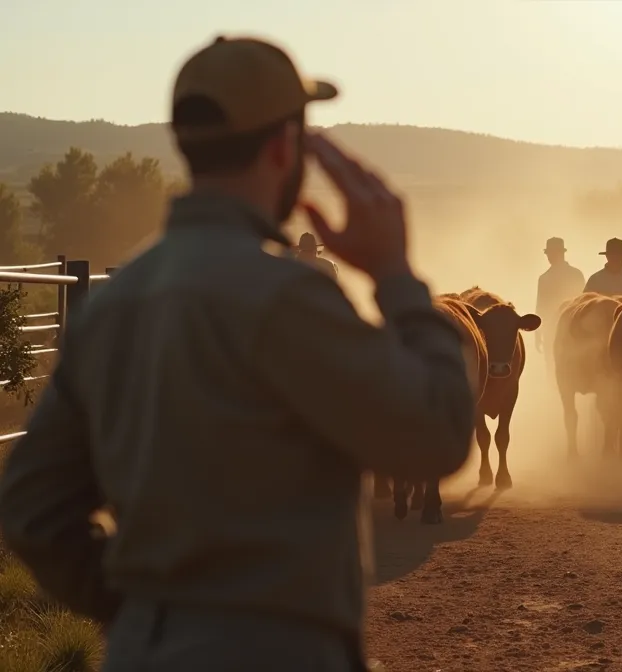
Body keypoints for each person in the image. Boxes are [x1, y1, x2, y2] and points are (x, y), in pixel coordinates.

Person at [0, 35, 476, 671]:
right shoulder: (286, 295)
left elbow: (31, 507)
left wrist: (146, 607)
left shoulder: (120, 297)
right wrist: (396, 275)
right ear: (286, 146)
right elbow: (438, 434)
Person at [535, 236, 585, 358]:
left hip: (572, 328)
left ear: (561, 253)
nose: (549, 256)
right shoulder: (545, 278)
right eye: (548, 253)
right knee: (554, 361)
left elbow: (583, 301)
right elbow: (541, 306)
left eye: (552, 253)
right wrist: (538, 331)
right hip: (555, 328)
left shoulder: (574, 275)